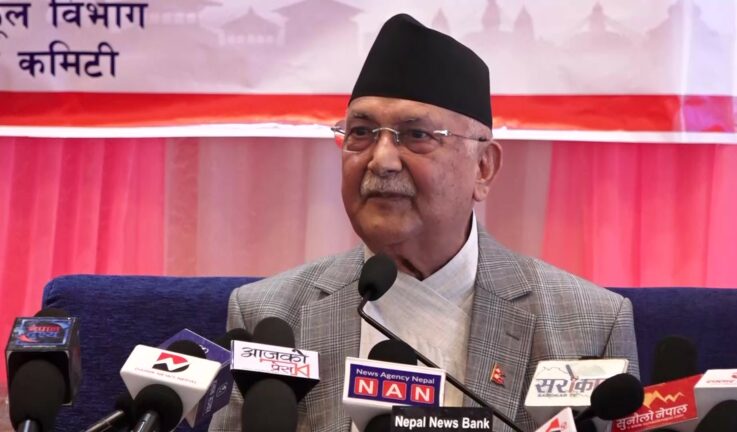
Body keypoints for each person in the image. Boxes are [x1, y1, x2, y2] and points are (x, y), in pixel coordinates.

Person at [208, 13, 638, 432]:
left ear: (483, 168)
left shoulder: (589, 322)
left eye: (416, 136)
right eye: (361, 133)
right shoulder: (271, 314)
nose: (381, 160)